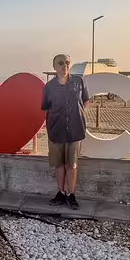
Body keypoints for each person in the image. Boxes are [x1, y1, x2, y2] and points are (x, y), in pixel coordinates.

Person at [41, 53, 90, 209]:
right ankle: (61, 193)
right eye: (60, 63)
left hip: (75, 131)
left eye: (67, 62)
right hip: (56, 131)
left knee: (72, 165)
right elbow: (46, 106)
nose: (65, 66)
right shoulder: (49, 87)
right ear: (54, 66)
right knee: (59, 165)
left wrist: (76, 114)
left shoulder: (79, 82)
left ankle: (71, 194)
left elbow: (85, 101)